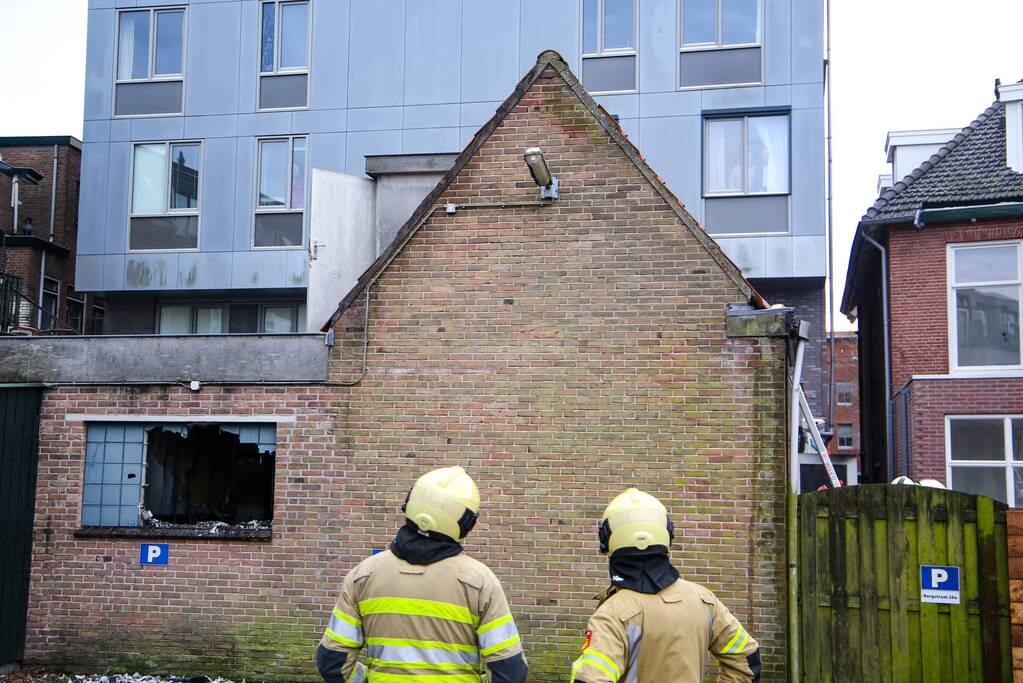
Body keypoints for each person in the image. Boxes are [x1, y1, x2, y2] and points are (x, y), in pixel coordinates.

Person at [316, 466, 528, 683]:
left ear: (410, 502)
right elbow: (509, 672)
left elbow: (333, 663)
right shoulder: (479, 582)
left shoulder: (363, 575)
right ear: (467, 523)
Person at [569, 488, 761, 683]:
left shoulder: (612, 615)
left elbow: (591, 679)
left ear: (606, 539)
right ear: (668, 533)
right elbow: (746, 658)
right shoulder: (705, 600)